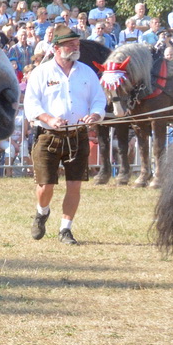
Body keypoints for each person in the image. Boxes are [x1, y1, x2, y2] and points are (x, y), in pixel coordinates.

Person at [23, 23, 105, 246]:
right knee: (45, 186)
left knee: (74, 184)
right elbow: (30, 103)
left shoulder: (86, 72)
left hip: (77, 135)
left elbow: (99, 99)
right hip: (48, 137)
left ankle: (65, 230)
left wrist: (96, 114)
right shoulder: (42, 72)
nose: (75, 46)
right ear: (57, 47)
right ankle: (42, 212)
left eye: (77, 43)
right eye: (70, 43)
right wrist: (49, 119)